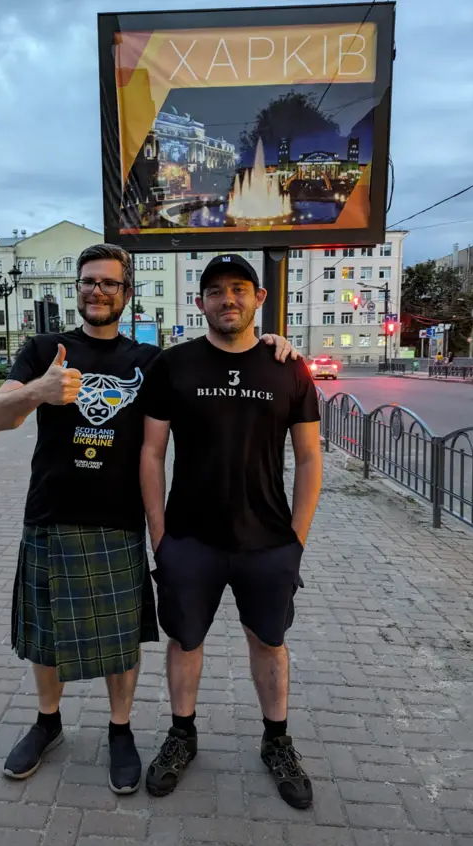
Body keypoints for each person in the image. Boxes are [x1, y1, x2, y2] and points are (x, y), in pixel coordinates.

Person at [0, 243, 297, 795]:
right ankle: (47, 722)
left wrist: (271, 344)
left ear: (127, 293)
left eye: (108, 282)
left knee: (120, 640)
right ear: (76, 289)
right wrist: (39, 391)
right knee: (44, 633)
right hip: (51, 513)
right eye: (88, 281)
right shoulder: (41, 350)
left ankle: (121, 730)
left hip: (119, 519)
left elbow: (221, 356)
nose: (97, 291)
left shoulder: (151, 362)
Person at [140, 253, 323, 810]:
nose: (228, 299)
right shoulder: (174, 366)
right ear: (200, 304)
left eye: (239, 289)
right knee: (184, 640)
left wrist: (296, 541)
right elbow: (151, 453)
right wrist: (160, 537)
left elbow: (311, 459)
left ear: (259, 299)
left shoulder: (288, 368)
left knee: (269, 642)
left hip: (267, 542)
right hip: (190, 540)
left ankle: (277, 742)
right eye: (215, 291)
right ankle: (182, 735)